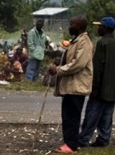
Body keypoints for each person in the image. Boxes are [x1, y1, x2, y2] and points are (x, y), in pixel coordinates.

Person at [47, 16, 94, 154]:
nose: (69, 27)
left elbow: (78, 64)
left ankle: (71, 145)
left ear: (79, 27)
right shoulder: (76, 41)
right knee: (68, 115)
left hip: (76, 85)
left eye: (71, 24)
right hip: (71, 85)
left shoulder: (85, 42)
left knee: (71, 116)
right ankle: (71, 142)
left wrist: (58, 70)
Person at [80, 17, 115, 147]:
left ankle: (83, 139)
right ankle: (104, 139)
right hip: (113, 87)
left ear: (105, 28)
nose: (98, 28)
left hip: (101, 87)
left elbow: (98, 67)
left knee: (92, 113)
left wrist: (94, 87)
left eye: (100, 26)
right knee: (107, 115)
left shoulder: (102, 43)